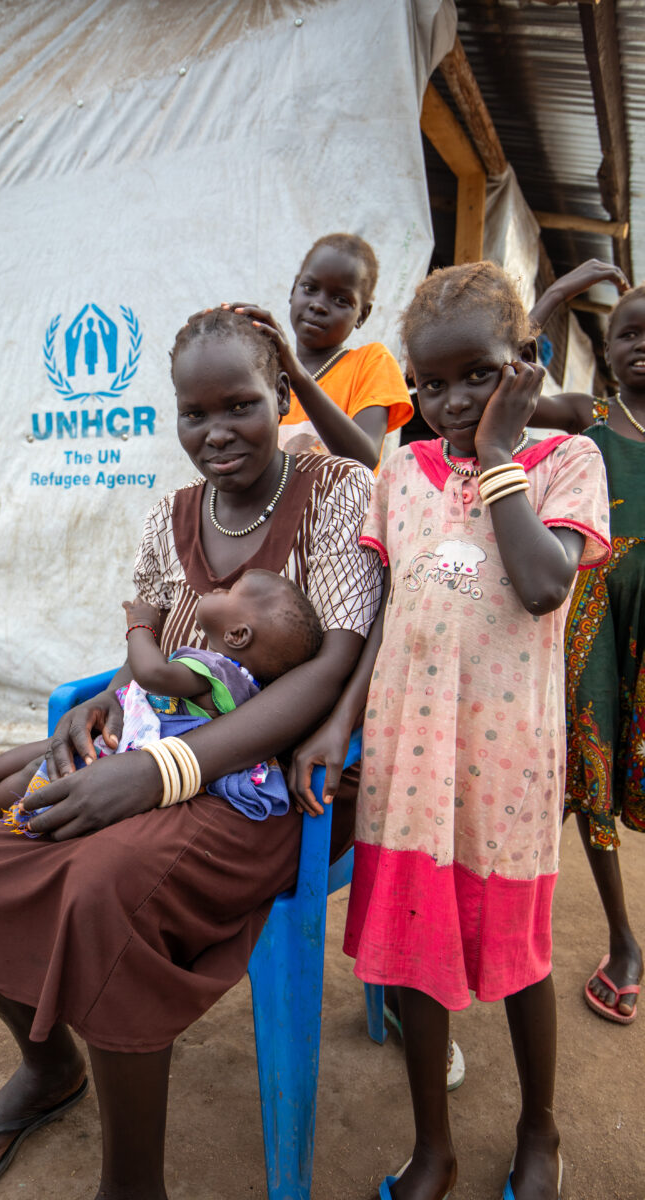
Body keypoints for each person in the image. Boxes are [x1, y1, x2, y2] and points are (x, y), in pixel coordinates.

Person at [0, 306, 381, 1200]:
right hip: (159, 753)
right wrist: (98, 708)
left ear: (281, 396)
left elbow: (328, 671)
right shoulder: (166, 517)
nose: (215, 434)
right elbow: (166, 662)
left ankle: (133, 1185)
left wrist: (159, 772)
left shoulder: (334, 492)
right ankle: (48, 1068)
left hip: (275, 784)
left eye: (241, 405)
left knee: (105, 891)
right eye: (193, 413)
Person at [289, 262, 611, 1200]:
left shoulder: (564, 465)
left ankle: (540, 1131)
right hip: (407, 764)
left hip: (505, 765)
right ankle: (434, 1148)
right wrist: (338, 726)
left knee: (517, 959)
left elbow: (545, 581)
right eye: (432, 385)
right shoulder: (405, 475)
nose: (454, 400)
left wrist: (505, 452)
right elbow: (386, 610)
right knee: (418, 960)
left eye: (478, 374)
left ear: (522, 365)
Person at [0, 570, 324, 834]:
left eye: (231, 591)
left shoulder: (213, 669)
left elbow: (151, 674)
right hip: (146, 740)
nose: (219, 589)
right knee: (50, 749)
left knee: (40, 769)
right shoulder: (244, 686)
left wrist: (141, 626)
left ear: (238, 635)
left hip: (131, 753)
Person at [527, 259, 643, 1024]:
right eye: (628, 333)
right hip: (595, 621)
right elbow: (512, 382)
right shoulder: (593, 415)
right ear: (607, 351)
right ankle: (625, 941)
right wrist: (554, 298)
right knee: (587, 765)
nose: (641, 346)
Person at [227, 231, 412, 469]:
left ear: (362, 315)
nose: (318, 305)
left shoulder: (372, 363)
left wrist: (296, 375)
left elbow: (363, 460)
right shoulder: (263, 375)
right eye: (309, 288)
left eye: (340, 300)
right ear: (293, 290)